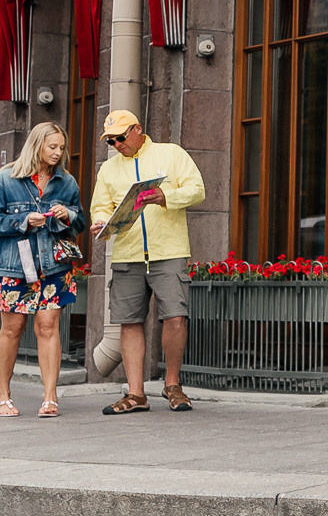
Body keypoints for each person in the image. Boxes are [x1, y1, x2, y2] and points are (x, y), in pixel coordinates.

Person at [89, 110, 206, 415]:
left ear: (137, 129)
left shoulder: (171, 154)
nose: (116, 144)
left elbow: (198, 190)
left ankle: (172, 384)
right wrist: (100, 221)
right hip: (127, 253)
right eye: (110, 140)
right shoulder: (109, 169)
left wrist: (165, 196)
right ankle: (136, 393)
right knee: (129, 321)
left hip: (168, 250)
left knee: (176, 317)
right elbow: (100, 206)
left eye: (120, 137)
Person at [0, 123, 84, 418]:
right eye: (52, 147)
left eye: (61, 147)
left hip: (54, 266)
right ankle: (3, 396)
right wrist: (23, 220)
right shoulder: (6, 179)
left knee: (48, 328)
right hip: (15, 266)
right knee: (12, 329)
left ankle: (50, 397)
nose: (58, 152)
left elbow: (80, 222)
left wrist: (68, 215)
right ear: (36, 145)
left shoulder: (67, 182)